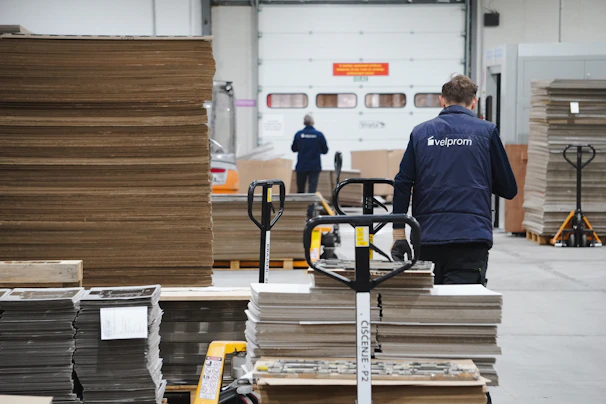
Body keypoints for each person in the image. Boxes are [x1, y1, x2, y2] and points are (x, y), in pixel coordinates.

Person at [391, 74, 517, 286]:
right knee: (460, 309)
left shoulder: (421, 133)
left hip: (428, 236)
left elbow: (403, 183)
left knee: (430, 304)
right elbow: (509, 188)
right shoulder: (486, 132)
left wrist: (398, 234)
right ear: (474, 102)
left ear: (442, 100)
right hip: (471, 237)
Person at [292, 114, 329, 194]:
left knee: (300, 189)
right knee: (312, 189)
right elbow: (325, 150)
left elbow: (293, 149)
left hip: (301, 166)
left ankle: (301, 206)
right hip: (314, 166)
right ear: (313, 122)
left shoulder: (299, 134)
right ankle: (311, 206)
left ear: (304, 123)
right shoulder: (319, 135)